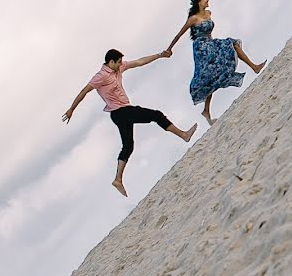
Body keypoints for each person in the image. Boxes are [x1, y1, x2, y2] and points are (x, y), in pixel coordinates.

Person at [62, 48, 197, 198]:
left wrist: (160, 55)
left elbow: (139, 62)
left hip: (121, 113)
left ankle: (117, 180)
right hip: (120, 112)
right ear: (111, 62)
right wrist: (71, 109)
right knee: (156, 115)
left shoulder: (118, 68)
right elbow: (84, 91)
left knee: (128, 146)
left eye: (121, 62)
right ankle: (184, 135)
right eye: (118, 62)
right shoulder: (100, 76)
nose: (121, 64)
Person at [164, 0, 266, 125]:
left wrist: (214, 45)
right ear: (199, 2)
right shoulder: (193, 19)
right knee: (210, 76)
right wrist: (169, 49)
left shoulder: (208, 13)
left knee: (231, 47)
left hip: (210, 43)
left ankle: (254, 67)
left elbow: (209, 32)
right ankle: (254, 67)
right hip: (201, 49)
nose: (207, 1)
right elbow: (179, 35)